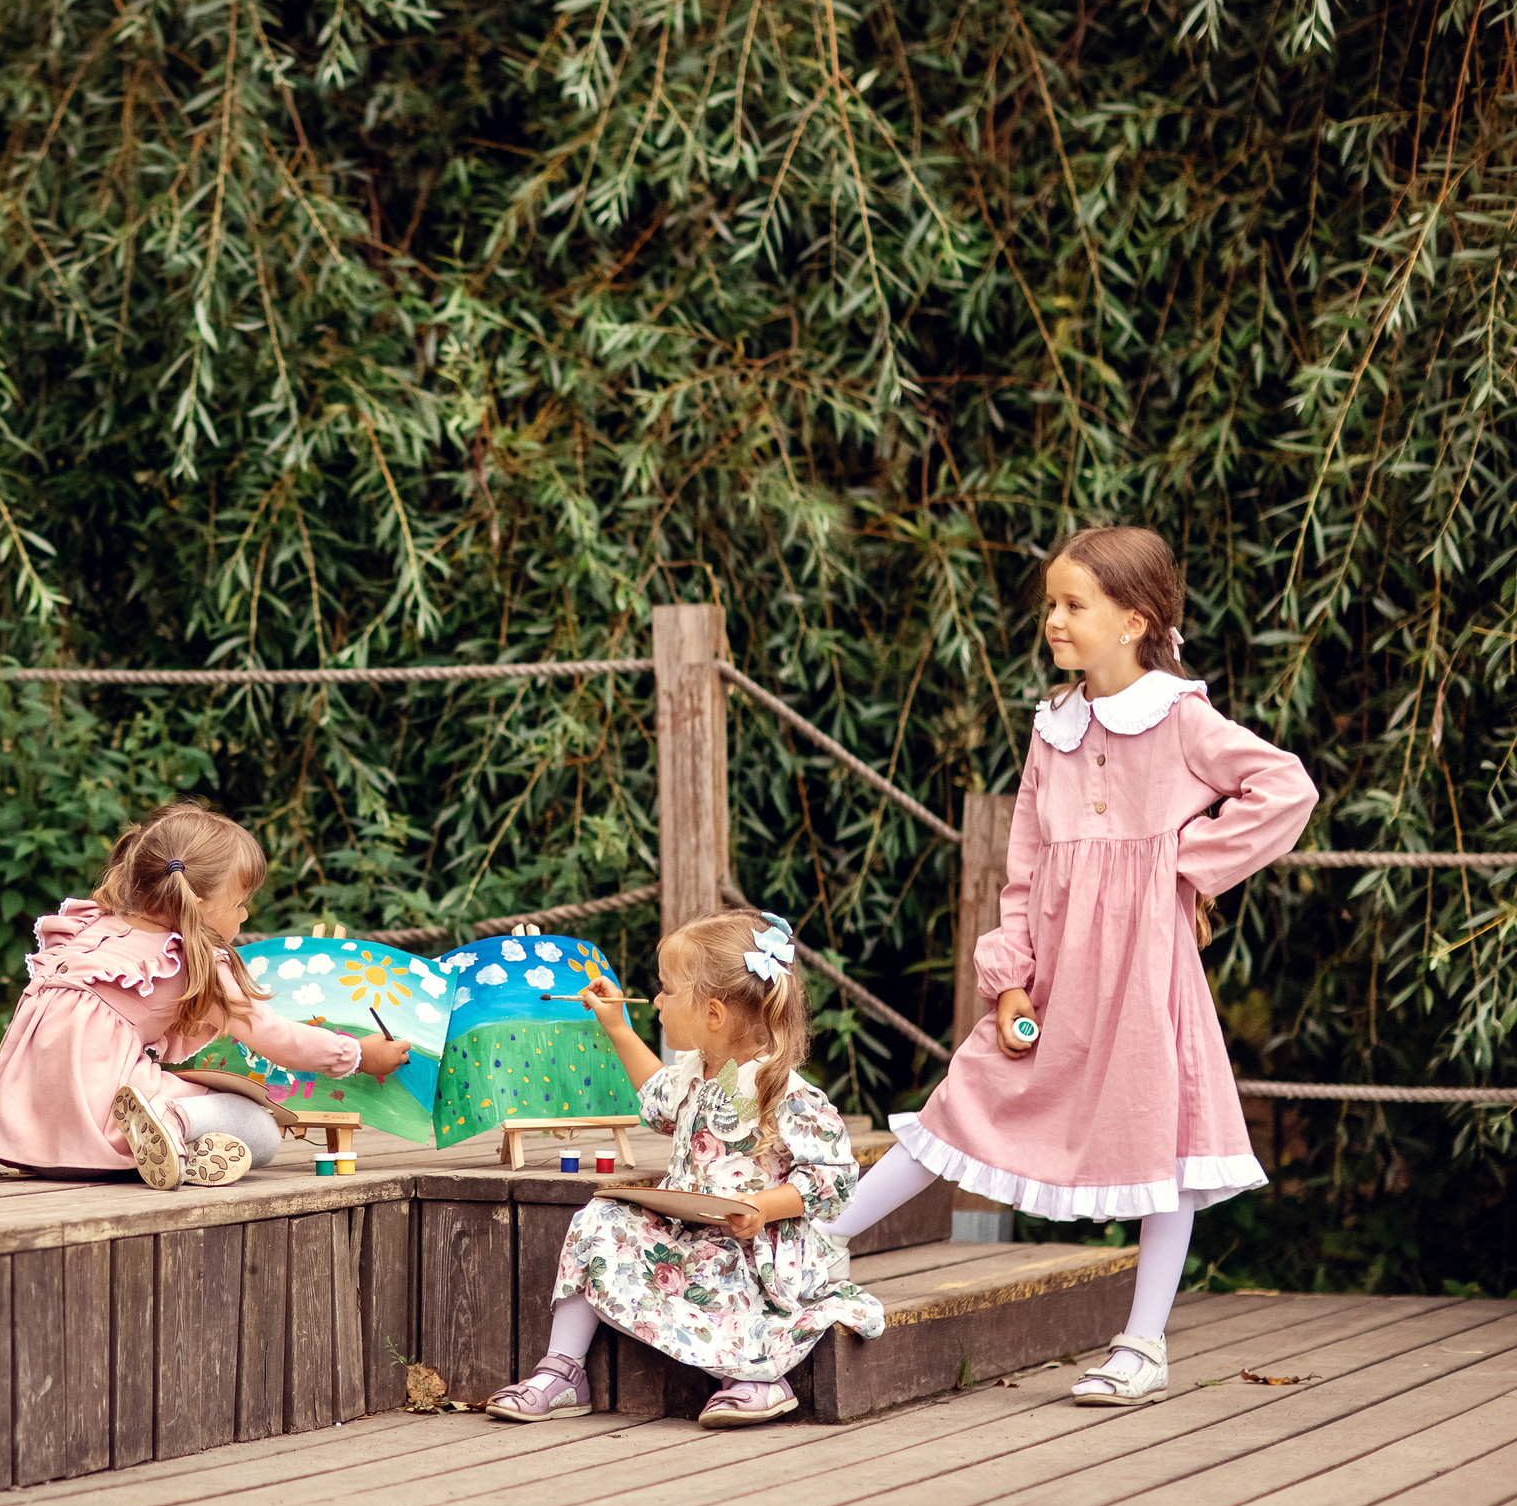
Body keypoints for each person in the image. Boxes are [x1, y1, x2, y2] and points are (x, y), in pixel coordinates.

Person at [817, 525, 1317, 1404]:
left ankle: (1143, 1339)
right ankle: (819, 1243)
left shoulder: (1183, 718)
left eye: (1073, 604)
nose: (1053, 619)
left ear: (1132, 619)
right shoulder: (1053, 727)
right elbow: (1025, 869)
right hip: (1053, 975)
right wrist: (1010, 974)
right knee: (963, 1099)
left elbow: (1286, 787)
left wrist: (1184, 861)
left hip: (1143, 975)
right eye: (1050, 602)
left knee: (1161, 1138)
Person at [488, 908, 881, 1429]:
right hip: (687, 1228)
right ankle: (563, 1370)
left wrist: (760, 1207)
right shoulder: (695, 1073)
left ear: (713, 1014)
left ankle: (756, 1377)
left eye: (667, 990)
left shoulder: (783, 1091)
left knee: (720, 1264)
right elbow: (655, 1101)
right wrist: (615, 1025)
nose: (656, 1000)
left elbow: (832, 1177)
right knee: (596, 1219)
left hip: (752, 1244)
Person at [0, 802, 412, 1188]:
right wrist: (356, 1055)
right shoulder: (188, 958)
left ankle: (174, 1152)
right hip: (104, 1118)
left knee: (194, 1110)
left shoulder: (91, 929)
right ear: (203, 902)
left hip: (33, 1134)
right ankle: (171, 1124)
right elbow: (275, 1036)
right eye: (241, 902)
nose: (245, 914)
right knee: (259, 1127)